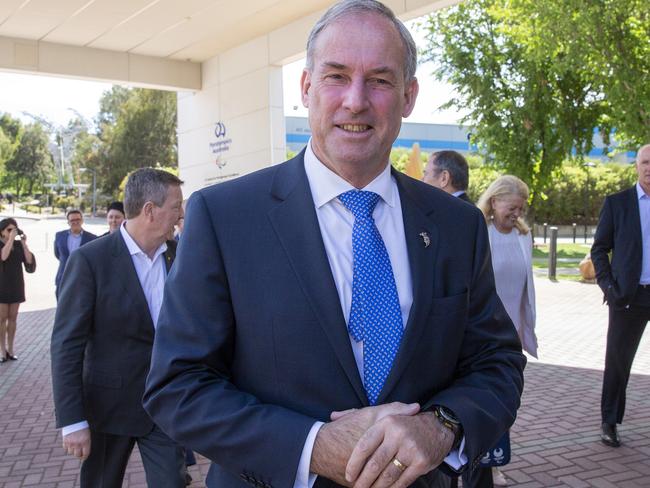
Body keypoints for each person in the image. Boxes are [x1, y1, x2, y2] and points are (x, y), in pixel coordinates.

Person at [144, 2, 526, 488]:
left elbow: (497, 362)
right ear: (307, 88)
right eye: (336, 76)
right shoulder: (224, 216)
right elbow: (177, 387)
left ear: (408, 96)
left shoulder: (457, 225)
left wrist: (442, 426)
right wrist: (313, 446)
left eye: (381, 80)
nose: (355, 100)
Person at [50, 168, 186, 488]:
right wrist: (72, 420)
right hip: (106, 410)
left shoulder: (180, 256)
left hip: (165, 407)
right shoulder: (90, 261)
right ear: (150, 211)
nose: (181, 215)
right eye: (176, 206)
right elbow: (66, 344)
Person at [424, 154, 494, 488]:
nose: (355, 100)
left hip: (434, 462)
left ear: (443, 178)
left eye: (427, 173)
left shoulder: (464, 221)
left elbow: (494, 356)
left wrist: (446, 426)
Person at [477, 175, 538, 486]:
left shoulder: (522, 235)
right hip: (484, 333)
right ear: (494, 201)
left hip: (511, 333)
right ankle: (482, 463)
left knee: (506, 398)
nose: (517, 213)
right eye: (512, 207)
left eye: (521, 208)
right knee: (484, 397)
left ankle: (496, 460)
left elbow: (527, 286)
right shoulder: (480, 233)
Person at [591, 143, 650, 448]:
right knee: (618, 361)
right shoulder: (619, 203)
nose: (649, 168)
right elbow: (599, 248)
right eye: (645, 162)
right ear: (637, 166)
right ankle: (609, 422)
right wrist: (608, 287)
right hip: (628, 296)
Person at [0, 218, 35, 363]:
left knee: (13, 319)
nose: (12, 232)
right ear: (1, 232)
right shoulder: (4, 244)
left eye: (14, 229)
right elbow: (3, 256)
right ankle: (2, 351)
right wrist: (10, 240)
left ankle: (11, 349)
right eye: (9, 230)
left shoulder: (18, 245)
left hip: (16, 285)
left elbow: (29, 262)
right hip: (1, 285)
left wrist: (24, 243)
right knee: (1, 319)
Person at [54, 210, 97, 297]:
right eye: (72, 220)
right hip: (63, 277)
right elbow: (57, 254)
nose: (75, 222)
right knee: (62, 308)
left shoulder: (92, 238)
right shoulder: (59, 236)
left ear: (82, 220)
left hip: (83, 279)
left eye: (78, 219)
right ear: (68, 222)